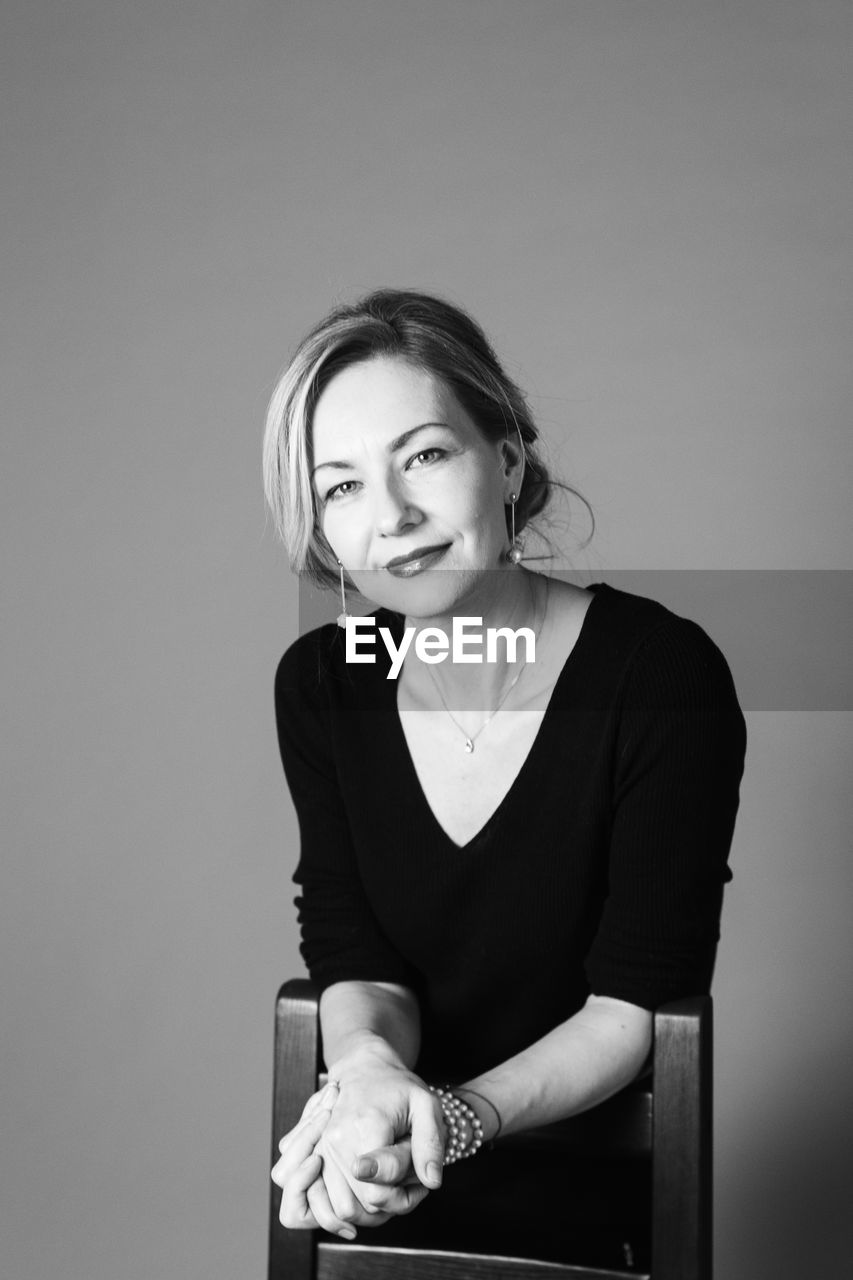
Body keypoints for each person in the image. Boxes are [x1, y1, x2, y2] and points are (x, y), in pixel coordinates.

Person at [263, 289, 746, 1266]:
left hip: (587, 1209)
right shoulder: (322, 685)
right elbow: (356, 951)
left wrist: (453, 1118)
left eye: (426, 455)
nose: (392, 516)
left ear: (508, 460)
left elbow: (634, 1003)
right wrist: (360, 1076)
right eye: (342, 485)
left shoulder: (658, 676)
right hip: (382, 1177)